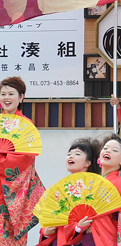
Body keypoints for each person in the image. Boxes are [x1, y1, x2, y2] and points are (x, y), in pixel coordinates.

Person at [0, 76, 45, 246]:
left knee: (10, 239)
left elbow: (23, 162)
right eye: (3, 93)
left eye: (11, 93)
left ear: (21, 97)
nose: (6, 97)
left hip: (13, 195)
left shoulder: (26, 126)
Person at [38, 138, 101, 246]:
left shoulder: (95, 188)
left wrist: (79, 228)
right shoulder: (60, 189)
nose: (70, 156)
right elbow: (50, 218)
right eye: (69, 154)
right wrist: (46, 232)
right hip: (59, 240)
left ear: (87, 163)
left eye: (77, 153)